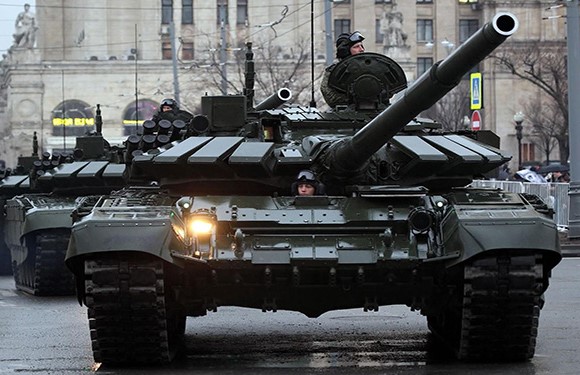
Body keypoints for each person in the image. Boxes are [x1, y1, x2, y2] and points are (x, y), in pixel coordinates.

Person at [320, 31, 366, 107]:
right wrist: (351, 100)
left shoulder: (371, 67)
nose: (361, 49)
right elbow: (329, 95)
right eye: (356, 47)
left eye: (361, 46)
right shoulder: (334, 71)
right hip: (345, 112)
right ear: (345, 51)